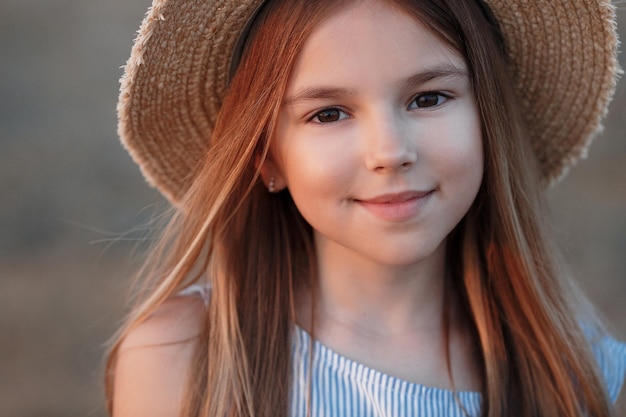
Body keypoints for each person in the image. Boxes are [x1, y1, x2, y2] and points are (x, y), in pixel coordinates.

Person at [106, 0, 626, 416]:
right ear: (267, 158)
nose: (390, 152)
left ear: (488, 118)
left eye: (428, 99)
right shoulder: (184, 359)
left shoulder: (574, 370)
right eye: (329, 113)